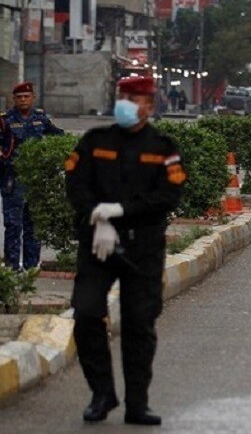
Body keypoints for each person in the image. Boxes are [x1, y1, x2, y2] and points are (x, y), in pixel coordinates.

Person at [66, 76, 185, 425]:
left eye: (134, 98)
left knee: (138, 324)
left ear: (150, 104)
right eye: (123, 97)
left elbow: (169, 195)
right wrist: (97, 217)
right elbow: (75, 184)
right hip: (98, 244)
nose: (126, 104)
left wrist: (120, 211)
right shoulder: (95, 140)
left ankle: (138, 403)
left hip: (142, 247)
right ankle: (102, 393)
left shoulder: (164, 147)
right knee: (86, 314)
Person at [2, 82, 64, 270]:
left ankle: (31, 267)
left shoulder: (40, 118)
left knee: (34, 225)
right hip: (13, 179)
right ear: (14, 99)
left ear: (33, 98)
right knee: (13, 226)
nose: (23, 100)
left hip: (36, 181)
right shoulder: (5, 121)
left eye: (26, 96)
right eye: (19, 97)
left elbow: (59, 136)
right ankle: (13, 266)